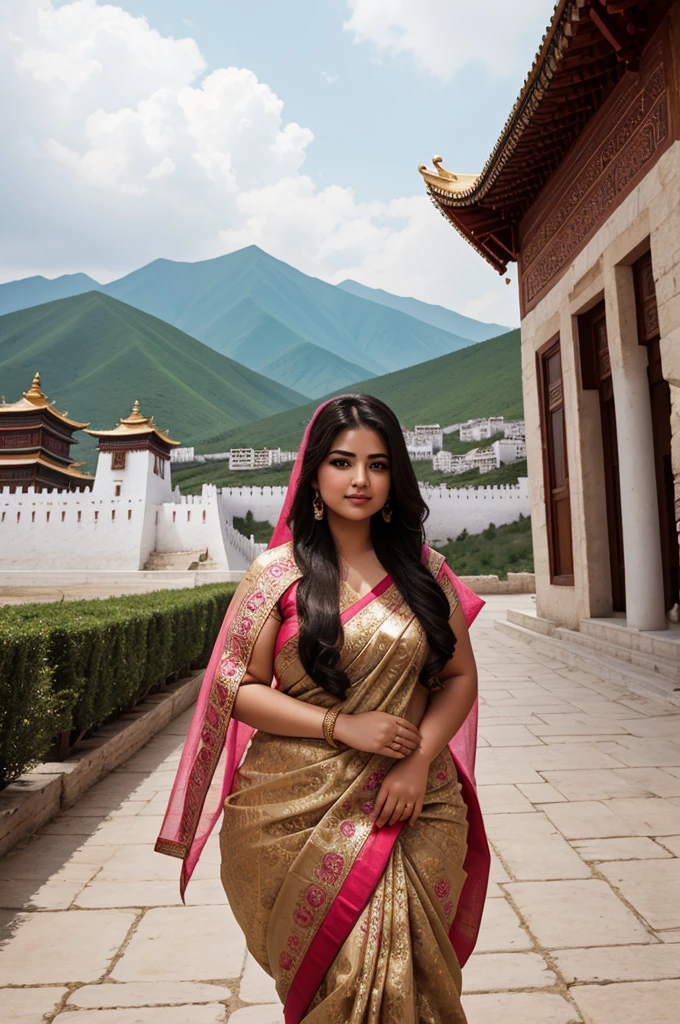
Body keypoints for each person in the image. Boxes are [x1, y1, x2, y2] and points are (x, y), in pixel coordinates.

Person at [156, 394, 489, 1023]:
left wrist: (417, 760)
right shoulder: (277, 574)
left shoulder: (425, 573)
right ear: (314, 475)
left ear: (395, 479)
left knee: (405, 979)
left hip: (411, 802)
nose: (360, 479)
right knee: (346, 974)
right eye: (342, 462)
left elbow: (459, 676)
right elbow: (237, 687)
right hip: (292, 807)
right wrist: (343, 725)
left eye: (378, 464)